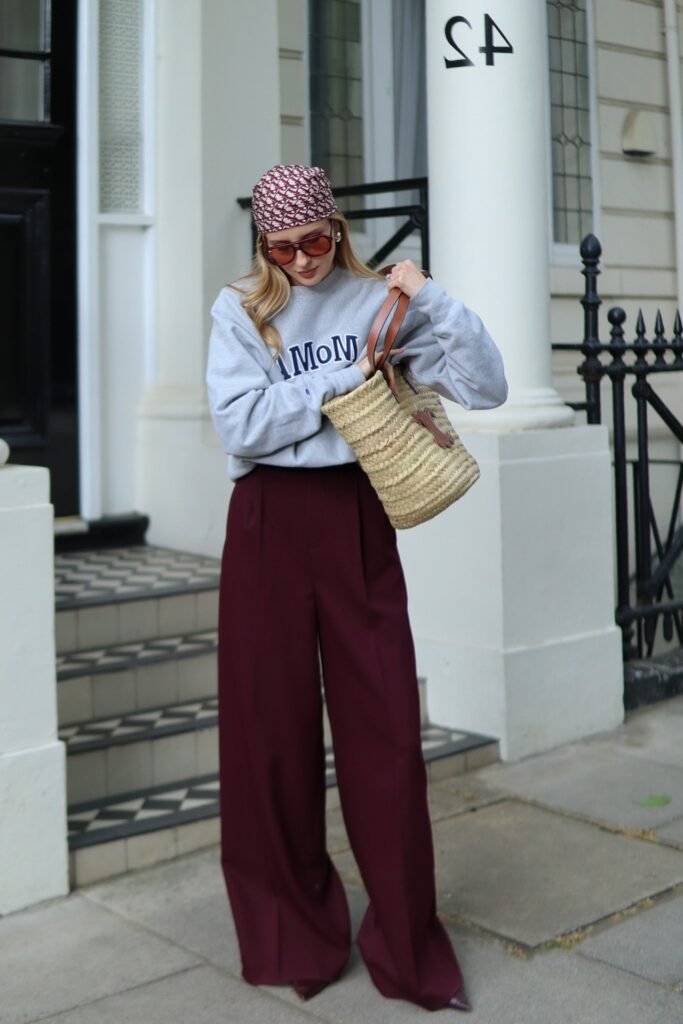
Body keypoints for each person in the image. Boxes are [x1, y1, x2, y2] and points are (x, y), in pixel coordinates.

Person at [206, 164, 507, 1013]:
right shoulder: (239, 309)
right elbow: (240, 423)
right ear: (262, 245)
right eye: (283, 246)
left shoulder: (381, 300)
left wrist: (435, 302)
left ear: (337, 229)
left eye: (316, 241)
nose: (303, 261)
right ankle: (289, 938)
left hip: (355, 515)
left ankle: (408, 950)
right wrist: (338, 384)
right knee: (270, 735)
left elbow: (487, 387)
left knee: (384, 735)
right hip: (266, 521)